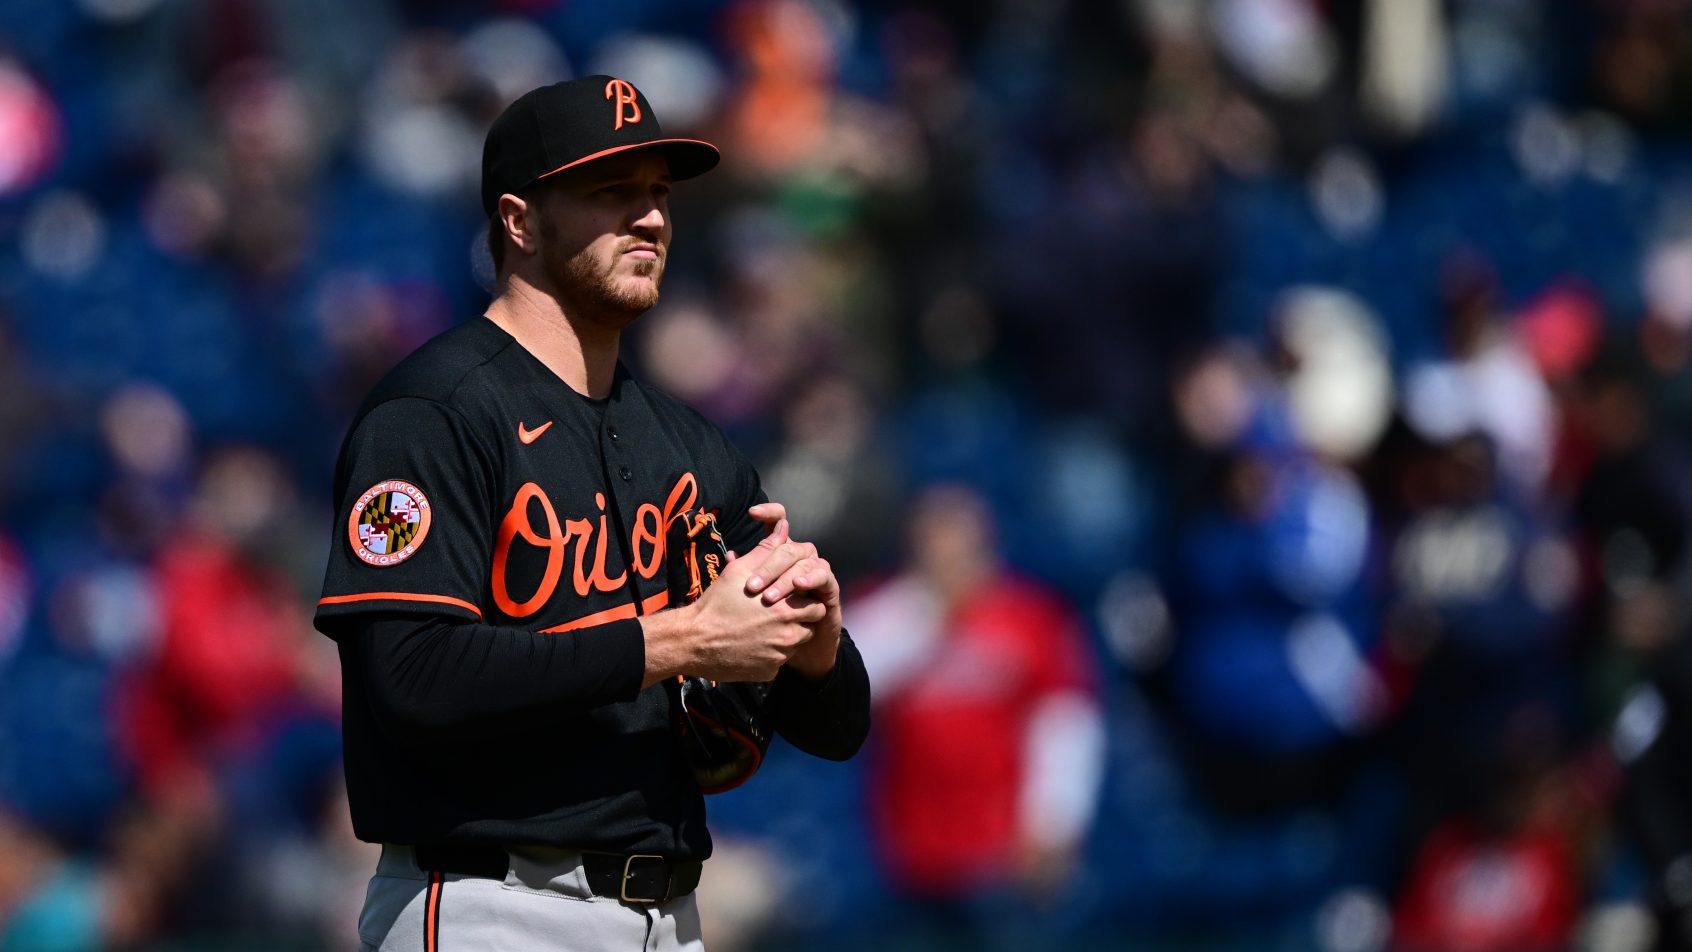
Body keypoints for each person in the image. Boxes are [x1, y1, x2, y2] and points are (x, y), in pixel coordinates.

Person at [312, 76, 872, 952]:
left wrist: (817, 647)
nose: (650, 218)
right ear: (521, 222)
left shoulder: (692, 449)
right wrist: (678, 642)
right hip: (488, 904)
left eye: (657, 192)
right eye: (611, 192)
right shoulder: (433, 416)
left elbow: (836, 730)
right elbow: (411, 676)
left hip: (668, 916)